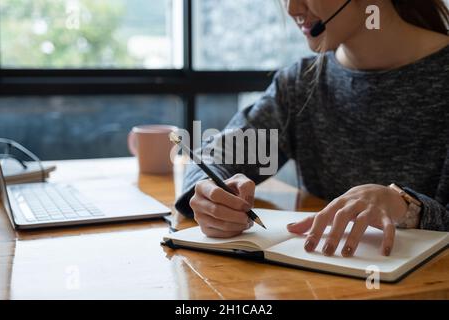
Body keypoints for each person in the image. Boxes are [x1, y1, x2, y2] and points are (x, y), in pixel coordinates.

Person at [175, 0, 449, 257]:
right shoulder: (301, 84)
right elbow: (216, 154)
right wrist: (211, 194)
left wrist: (404, 206)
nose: (292, 8)